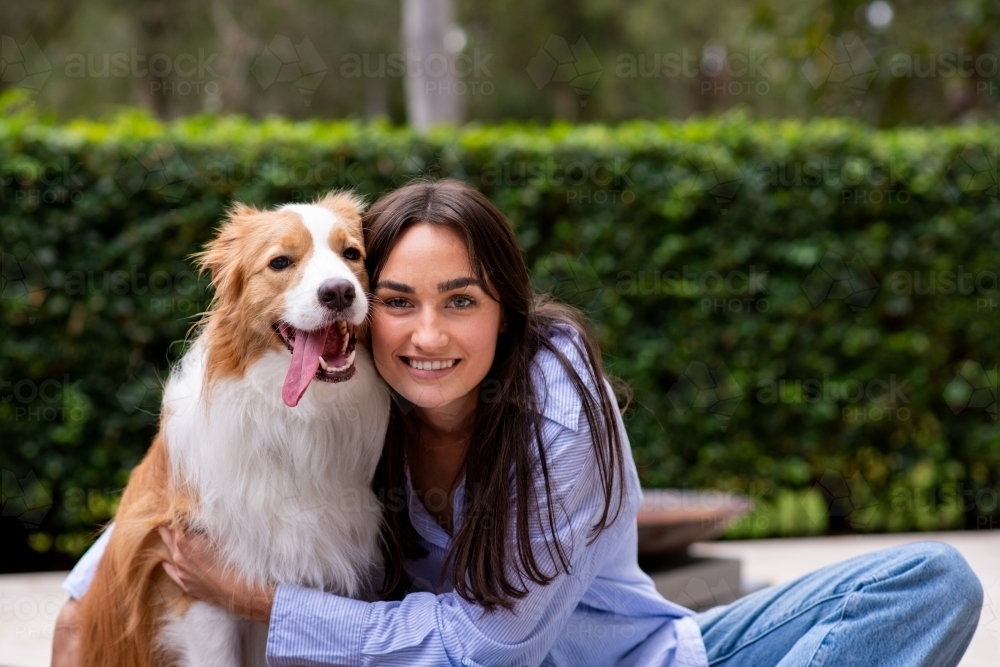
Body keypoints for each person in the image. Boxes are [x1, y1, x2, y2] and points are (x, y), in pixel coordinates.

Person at [53, 179, 982, 666]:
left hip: (615, 656)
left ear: (507, 305)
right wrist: (88, 585)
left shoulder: (556, 412)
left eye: (459, 300)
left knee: (932, 577)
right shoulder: (355, 400)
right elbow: (218, 476)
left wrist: (264, 603)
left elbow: (491, 649)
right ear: (362, 307)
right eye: (398, 299)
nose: (425, 334)